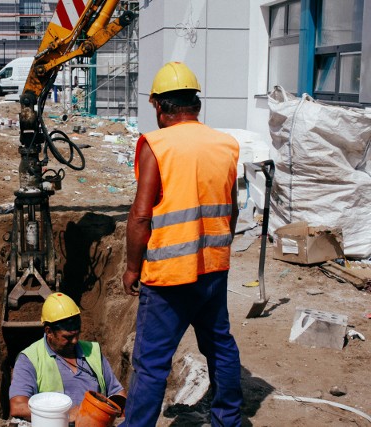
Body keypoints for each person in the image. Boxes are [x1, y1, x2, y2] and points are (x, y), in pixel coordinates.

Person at [121, 62, 242, 427]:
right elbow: (232, 210)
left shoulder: (156, 145)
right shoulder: (225, 144)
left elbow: (141, 217)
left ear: (159, 105)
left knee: (151, 362)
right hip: (212, 270)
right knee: (220, 347)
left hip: (169, 277)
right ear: (195, 103)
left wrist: (131, 268)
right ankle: (229, 421)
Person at [9, 292, 126, 422]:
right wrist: (65, 416)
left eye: (77, 334)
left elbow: (117, 393)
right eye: (68, 337)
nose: (75, 341)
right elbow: (18, 406)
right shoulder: (30, 359)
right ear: (49, 332)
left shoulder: (93, 352)